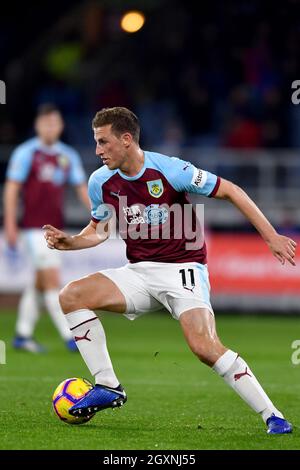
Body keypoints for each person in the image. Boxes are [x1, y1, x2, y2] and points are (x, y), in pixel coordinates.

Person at [43, 107, 297, 434]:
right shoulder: (101, 181)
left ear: (126, 139)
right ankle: (108, 385)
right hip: (138, 272)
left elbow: (231, 190)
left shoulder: (170, 170)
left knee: (204, 347)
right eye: (96, 142)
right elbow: (100, 229)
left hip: (182, 270)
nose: (97, 150)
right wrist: (71, 242)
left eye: (103, 142)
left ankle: (271, 415)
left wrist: (271, 236)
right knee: (71, 296)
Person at [4, 103, 90, 352]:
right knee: (52, 280)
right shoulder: (26, 152)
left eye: (55, 123)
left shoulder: (68, 155)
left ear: (61, 126)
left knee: (40, 283)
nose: (51, 127)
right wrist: (10, 223)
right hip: (33, 228)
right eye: (47, 123)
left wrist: (99, 215)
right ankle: (71, 337)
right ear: (38, 126)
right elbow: (12, 189)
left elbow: (80, 188)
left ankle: (22, 335)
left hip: (56, 229)